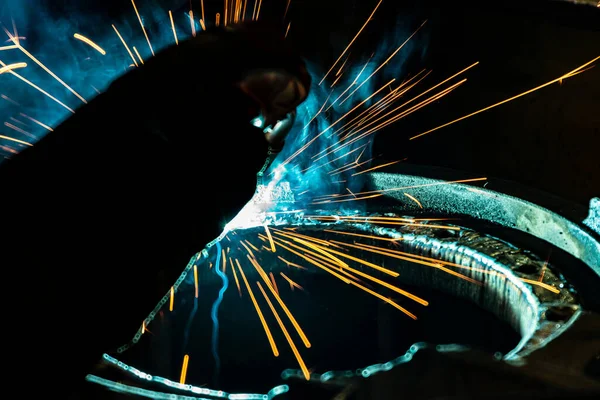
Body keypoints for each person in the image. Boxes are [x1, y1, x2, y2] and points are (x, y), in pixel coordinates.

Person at [0, 22, 310, 394]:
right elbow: (189, 209)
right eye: (271, 93)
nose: (267, 112)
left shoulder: (140, 99)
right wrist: (255, 154)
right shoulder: (187, 124)